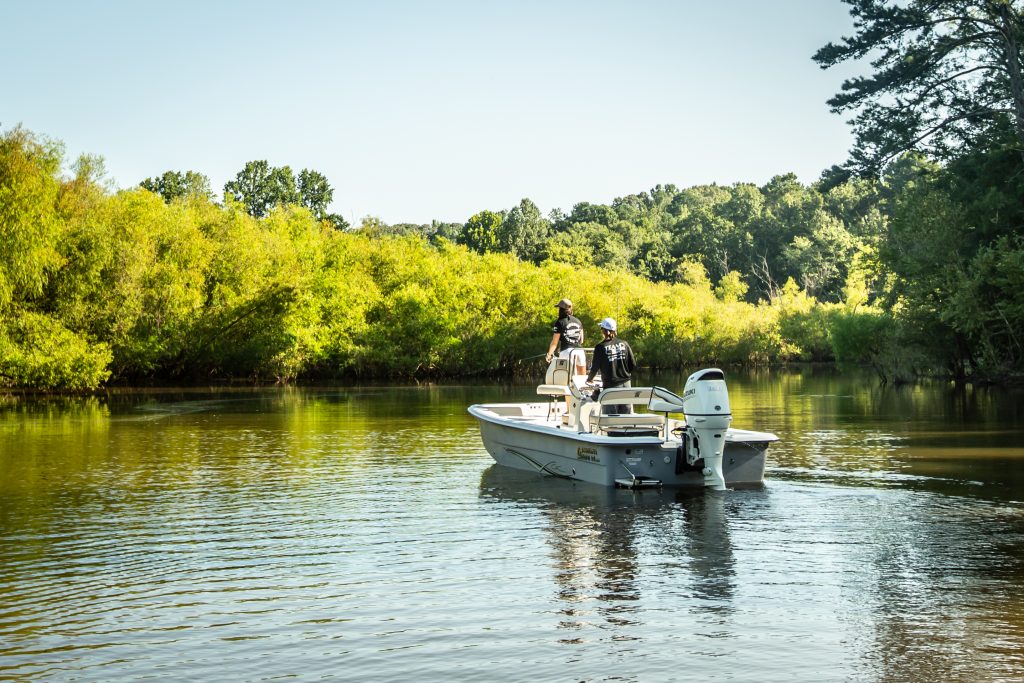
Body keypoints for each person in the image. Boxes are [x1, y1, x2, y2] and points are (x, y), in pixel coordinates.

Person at [586, 317, 636, 414]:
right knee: (626, 416)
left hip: (610, 388)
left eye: (601, 328)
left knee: (610, 417)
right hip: (626, 386)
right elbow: (633, 365)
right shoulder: (625, 344)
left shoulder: (600, 347)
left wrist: (590, 379)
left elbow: (594, 368)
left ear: (605, 331)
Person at [545, 299, 584, 371]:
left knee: (566, 376)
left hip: (567, 353)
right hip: (580, 351)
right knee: (581, 376)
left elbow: (554, 343)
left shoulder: (559, 322)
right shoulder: (578, 321)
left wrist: (549, 354)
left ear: (561, 310)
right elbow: (581, 340)